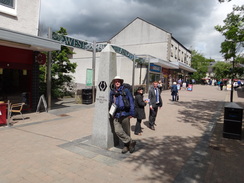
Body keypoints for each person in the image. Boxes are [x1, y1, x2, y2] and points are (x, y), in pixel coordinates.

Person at [109, 76, 136, 154]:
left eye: (118, 81)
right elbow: (110, 103)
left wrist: (132, 113)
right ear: (114, 82)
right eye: (116, 81)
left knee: (126, 131)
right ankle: (131, 141)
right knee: (117, 131)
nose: (117, 82)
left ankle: (127, 146)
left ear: (121, 82)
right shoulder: (112, 92)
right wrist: (111, 113)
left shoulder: (126, 90)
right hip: (116, 114)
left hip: (125, 113)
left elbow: (131, 101)